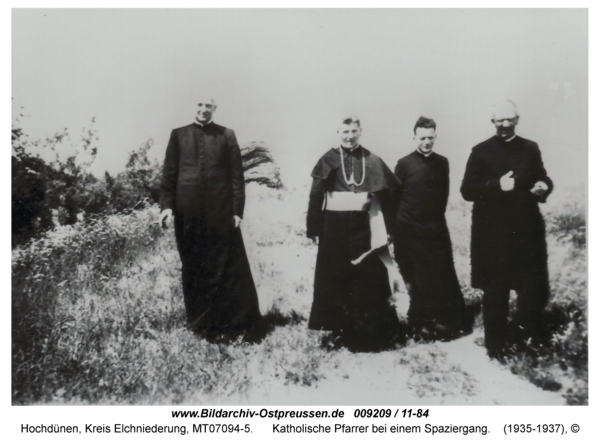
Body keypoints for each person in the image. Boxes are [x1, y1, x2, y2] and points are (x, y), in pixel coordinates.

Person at [159, 97, 261, 340]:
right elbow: (169, 175)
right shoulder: (178, 135)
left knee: (226, 267)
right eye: (199, 105)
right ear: (193, 107)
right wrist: (166, 207)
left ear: (215, 109)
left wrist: (238, 210)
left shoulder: (227, 135)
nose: (203, 110)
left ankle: (234, 324)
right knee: (193, 266)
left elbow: (237, 177)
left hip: (221, 213)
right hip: (187, 214)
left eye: (208, 106)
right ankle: (201, 324)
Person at [460, 100, 553, 360]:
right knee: (495, 291)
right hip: (493, 236)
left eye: (508, 119)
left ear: (517, 120)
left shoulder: (530, 148)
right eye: (498, 120)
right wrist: (495, 186)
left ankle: (526, 344)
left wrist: (544, 187)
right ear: (492, 123)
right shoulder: (480, 151)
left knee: (531, 291)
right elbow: (467, 190)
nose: (503, 124)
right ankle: (496, 348)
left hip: (526, 233)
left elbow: (543, 176)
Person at [307, 116, 404, 352]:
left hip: (364, 225)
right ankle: (341, 331)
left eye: (353, 131)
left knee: (367, 276)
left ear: (360, 131)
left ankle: (371, 332)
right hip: (334, 226)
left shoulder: (371, 159)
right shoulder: (328, 159)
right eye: (345, 131)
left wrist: (389, 229)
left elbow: (390, 196)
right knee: (336, 277)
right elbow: (316, 196)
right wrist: (314, 227)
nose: (349, 136)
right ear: (337, 132)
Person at [393, 117, 470, 341]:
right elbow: (395, 197)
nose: (426, 142)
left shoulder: (442, 162)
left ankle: (446, 324)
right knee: (416, 279)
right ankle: (419, 325)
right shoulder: (404, 164)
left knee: (441, 276)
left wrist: (435, 222)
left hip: (435, 229)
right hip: (409, 231)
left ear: (435, 137)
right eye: (422, 137)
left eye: (430, 137)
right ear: (414, 137)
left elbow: (442, 195)